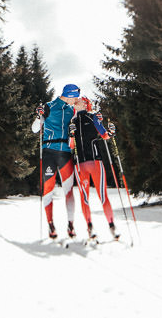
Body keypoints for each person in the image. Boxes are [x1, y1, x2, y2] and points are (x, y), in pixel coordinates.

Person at [32, 83, 84, 239]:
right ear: (68, 95)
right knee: (48, 189)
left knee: (69, 190)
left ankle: (70, 224)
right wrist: (38, 116)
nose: (75, 100)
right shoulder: (48, 106)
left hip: (66, 153)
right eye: (74, 97)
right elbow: (34, 129)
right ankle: (50, 224)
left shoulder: (72, 110)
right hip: (49, 152)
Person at [69, 97, 119, 240]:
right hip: (80, 164)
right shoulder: (71, 122)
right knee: (84, 198)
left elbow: (104, 135)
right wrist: (71, 135)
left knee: (102, 195)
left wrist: (110, 132)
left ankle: (112, 226)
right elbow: (71, 146)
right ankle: (90, 227)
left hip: (96, 163)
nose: (77, 102)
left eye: (80, 101)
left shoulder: (92, 118)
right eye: (76, 101)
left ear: (85, 104)